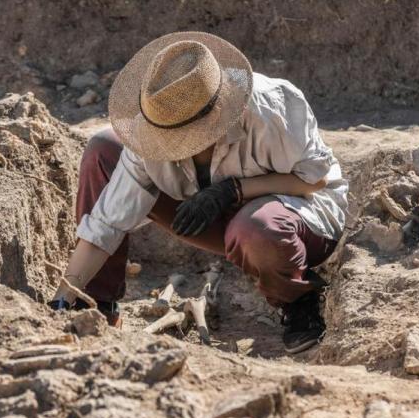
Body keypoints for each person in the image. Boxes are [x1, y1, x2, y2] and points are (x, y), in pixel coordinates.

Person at [50, 32, 348, 354]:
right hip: (216, 218)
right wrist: (63, 296)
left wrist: (233, 190)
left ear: (217, 114)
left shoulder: (271, 108)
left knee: (256, 227)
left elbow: (314, 180)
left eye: (187, 137)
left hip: (298, 216)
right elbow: (106, 223)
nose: (174, 147)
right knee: (104, 149)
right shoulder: (155, 126)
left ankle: (297, 299)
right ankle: (94, 306)